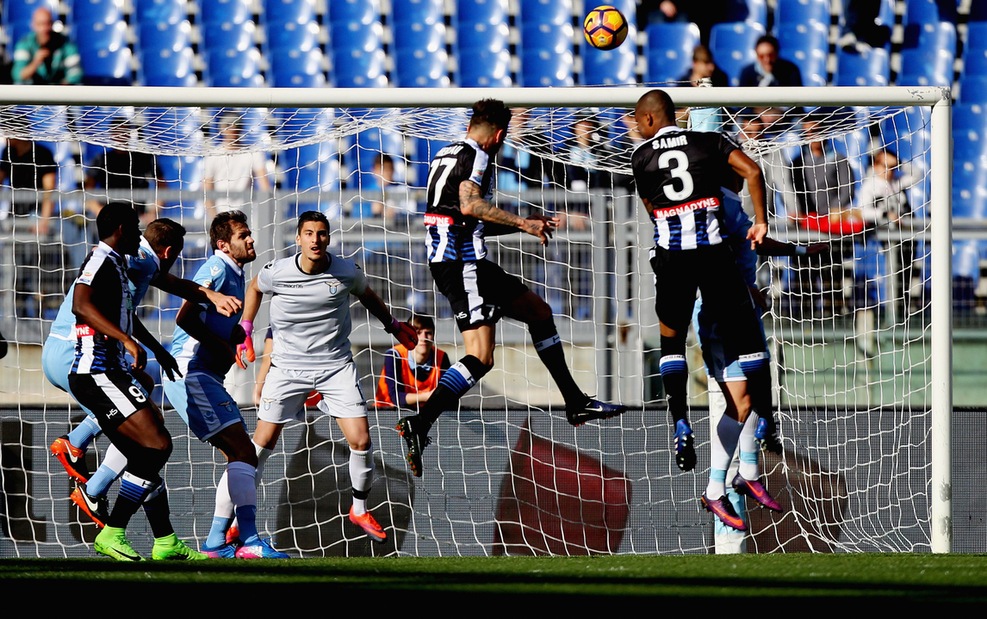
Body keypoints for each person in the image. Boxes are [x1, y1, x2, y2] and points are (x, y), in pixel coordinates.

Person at [394, 98, 627, 479]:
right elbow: (470, 207)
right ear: (499, 135)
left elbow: (463, 217)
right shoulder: (478, 156)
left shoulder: (445, 153)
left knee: (539, 312)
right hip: (461, 265)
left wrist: (523, 222)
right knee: (480, 357)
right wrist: (523, 224)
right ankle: (420, 423)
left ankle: (574, 402)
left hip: (465, 261)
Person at [629, 89, 778, 527]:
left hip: (673, 260)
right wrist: (763, 223)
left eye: (637, 120)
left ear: (649, 119)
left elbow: (653, 208)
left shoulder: (641, 158)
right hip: (714, 268)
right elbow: (752, 172)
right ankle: (766, 432)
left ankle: (682, 421)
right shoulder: (711, 152)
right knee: (754, 357)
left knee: (673, 344)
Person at [231, 209, 418, 543]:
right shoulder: (278, 271)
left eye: (321, 234)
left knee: (361, 440)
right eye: (309, 234)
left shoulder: (346, 271)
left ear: (328, 238)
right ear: (298, 238)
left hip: (335, 367)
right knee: (261, 444)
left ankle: (358, 508)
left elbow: (368, 296)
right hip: (287, 369)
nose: (315, 240)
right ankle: (235, 517)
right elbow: (255, 287)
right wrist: (246, 328)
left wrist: (393, 326)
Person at [44, 217, 242, 528]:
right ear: (169, 252)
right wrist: (212, 296)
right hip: (79, 354)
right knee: (148, 441)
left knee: (146, 401)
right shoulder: (136, 260)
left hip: (58, 351)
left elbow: (129, 311)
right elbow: (172, 283)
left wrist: (157, 350)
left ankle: (90, 473)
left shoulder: (129, 265)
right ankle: (97, 490)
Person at [66, 202, 204, 561]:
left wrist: (151, 350)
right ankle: (112, 530)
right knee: (156, 446)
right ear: (122, 230)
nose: (140, 236)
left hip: (111, 371)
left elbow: (125, 315)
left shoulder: (117, 264)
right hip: (96, 373)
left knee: (147, 452)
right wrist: (126, 341)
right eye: (136, 228)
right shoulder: (100, 258)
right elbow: (80, 305)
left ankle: (165, 540)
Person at [695, 177, 829, 531]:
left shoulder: (729, 200)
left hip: (740, 308)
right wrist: (745, 289)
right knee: (740, 401)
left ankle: (749, 472)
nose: (745, 166)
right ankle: (715, 489)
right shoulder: (709, 203)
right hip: (720, 312)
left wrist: (800, 252)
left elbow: (751, 241)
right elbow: (709, 258)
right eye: (738, 159)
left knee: (752, 393)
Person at [159, 210, 288, 559]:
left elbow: (213, 321)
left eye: (249, 233)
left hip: (206, 375)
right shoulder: (216, 268)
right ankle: (245, 540)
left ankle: (218, 542)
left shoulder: (235, 272)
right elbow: (184, 317)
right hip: (190, 371)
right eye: (243, 235)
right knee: (243, 451)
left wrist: (237, 340)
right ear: (224, 244)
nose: (251, 239)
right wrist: (223, 346)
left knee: (240, 453)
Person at [789, 111, 859, 319]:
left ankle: (833, 315)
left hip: (831, 227)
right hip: (806, 227)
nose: (813, 135)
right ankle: (804, 316)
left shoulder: (838, 159)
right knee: (804, 272)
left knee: (831, 273)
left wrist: (834, 210)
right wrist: (799, 213)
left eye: (817, 130)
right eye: (808, 131)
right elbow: (791, 191)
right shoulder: (797, 162)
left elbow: (847, 189)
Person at [0, 136, 60, 318]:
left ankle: (40, 313)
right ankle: (18, 314)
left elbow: (50, 189)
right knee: (15, 267)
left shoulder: (42, 154)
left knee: (36, 267)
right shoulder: (7, 153)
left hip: (36, 218)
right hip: (15, 218)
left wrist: (44, 219)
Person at [84, 116, 162, 223]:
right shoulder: (101, 160)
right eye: (117, 132)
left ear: (129, 133)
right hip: (109, 217)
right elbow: (88, 189)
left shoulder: (144, 158)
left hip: (137, 217)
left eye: (124, 131)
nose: (121, 135)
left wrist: (153, 212)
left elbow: (162, 185)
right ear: (111, 134)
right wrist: (100, 212)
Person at [374, 314, 450, 411]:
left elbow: (446, 395)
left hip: (426, 413)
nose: (423, 338)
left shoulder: (441, 357)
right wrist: (427, 396)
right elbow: (396, 398)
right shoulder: (394, 355)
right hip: (386, 412)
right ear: (409, 336)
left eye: (428, 333)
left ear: (434, 336)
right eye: (418, 333)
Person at [203, 114, 271, 220]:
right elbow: (207, 191)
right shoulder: (213, 155)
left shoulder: (253, 153)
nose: (232, 129)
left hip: (246, 214)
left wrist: (264, 214)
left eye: (236, 125)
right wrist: (215, 219)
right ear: (222, 129)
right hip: (221, 214)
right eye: (228, 125)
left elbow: (265, 186)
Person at [11, 7, 82, 85]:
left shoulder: (66, 43)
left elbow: (76, 73)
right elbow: (18, 75)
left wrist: (59, 88)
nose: (44, 28)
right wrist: (35, 62)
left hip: (59, 89)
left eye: (47, 23)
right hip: (32, 90)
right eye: (40, 24)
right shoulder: (24, 44)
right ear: (33, 25)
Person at [738, 35, 803, 89]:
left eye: (770, 55)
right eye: (761, 56)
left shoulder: (791, 71)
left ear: (777, 53)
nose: (767, 60)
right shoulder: (747, 72)